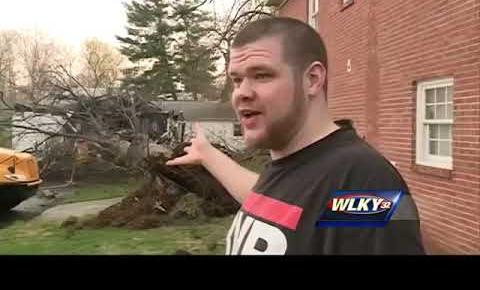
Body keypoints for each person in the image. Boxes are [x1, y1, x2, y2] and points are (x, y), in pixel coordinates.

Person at [166, 17, 425, 255]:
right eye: (236, 80)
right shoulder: (292, 168)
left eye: (262, 75)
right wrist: (208, 154)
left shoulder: (363, 180)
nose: (241, 93)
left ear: (312, 79)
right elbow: (279, 202)